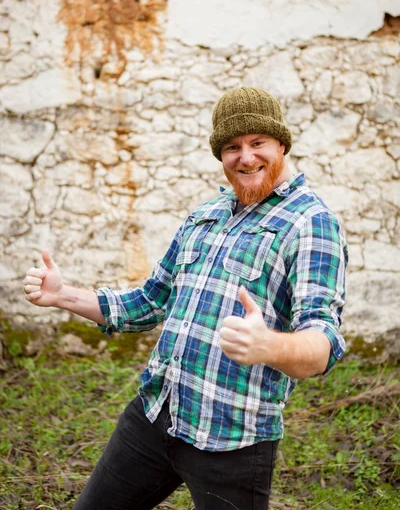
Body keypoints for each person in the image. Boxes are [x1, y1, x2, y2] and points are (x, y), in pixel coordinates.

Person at [23, 87, 347, 510]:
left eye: (257, 143)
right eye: (232, 147)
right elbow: (149, 302)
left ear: (281, 144)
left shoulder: (311, 223)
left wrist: (268, 344)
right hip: (156, 413)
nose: (246, 157)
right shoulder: (206, 215)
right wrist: (63, 295)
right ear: (220, 155)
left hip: (232, 439)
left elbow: (322, 341)